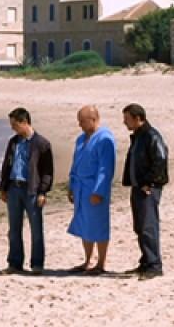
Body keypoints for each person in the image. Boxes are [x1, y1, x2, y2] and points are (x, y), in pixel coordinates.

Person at [0, 107, 54, 275]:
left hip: (32, 190)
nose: (12, 128)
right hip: (14, 188)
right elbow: (6, 165)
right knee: (14, 229)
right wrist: (3, 187)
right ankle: (15, 263)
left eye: (15, 125)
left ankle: (37, 264)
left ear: (24, 122)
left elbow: (47, 171)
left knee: (36, 229)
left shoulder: (42, 143)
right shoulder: (13, 142)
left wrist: (43, 192)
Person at [66, 106, 116, 275]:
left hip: (94, 189)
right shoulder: (81, 139)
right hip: (80, 187)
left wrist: (99, 191)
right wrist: (71, 185)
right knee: (84, 224)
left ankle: (101, 263)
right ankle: (87, 260)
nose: (79, 124)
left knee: (98, 225)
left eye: (82, 121)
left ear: (93, 119)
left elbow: (105, 168)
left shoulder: (104, 139)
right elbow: (75, 163)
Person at [122, 103, 169, 281]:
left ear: (137, 118)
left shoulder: (151, 135)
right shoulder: (140, 136)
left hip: (147, 188)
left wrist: (149, 182)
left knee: (148, 226)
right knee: (140, 226)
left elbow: (161, 159)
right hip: (138, 186)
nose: (124, 122)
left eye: (127, 119)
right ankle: (146, 262)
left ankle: (154, 265)